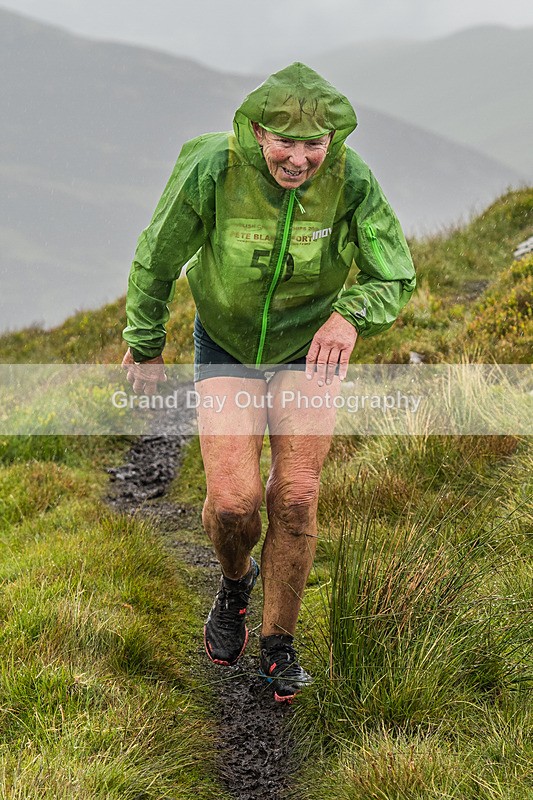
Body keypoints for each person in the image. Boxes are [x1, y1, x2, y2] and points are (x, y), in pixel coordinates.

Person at [122, 63, 416, 703]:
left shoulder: (352, 180)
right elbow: (157, 253)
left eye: (315, 144)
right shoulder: (212, 168)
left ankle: (279, 646)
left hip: (306, 349)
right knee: (234, 503)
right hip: (226, 341)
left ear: (332, 141)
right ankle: (234, 583)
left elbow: (394, 273)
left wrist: (349, 315)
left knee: (297, 496)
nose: (300, 158)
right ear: (256, 132)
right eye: (286, 140)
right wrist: (144, 344)